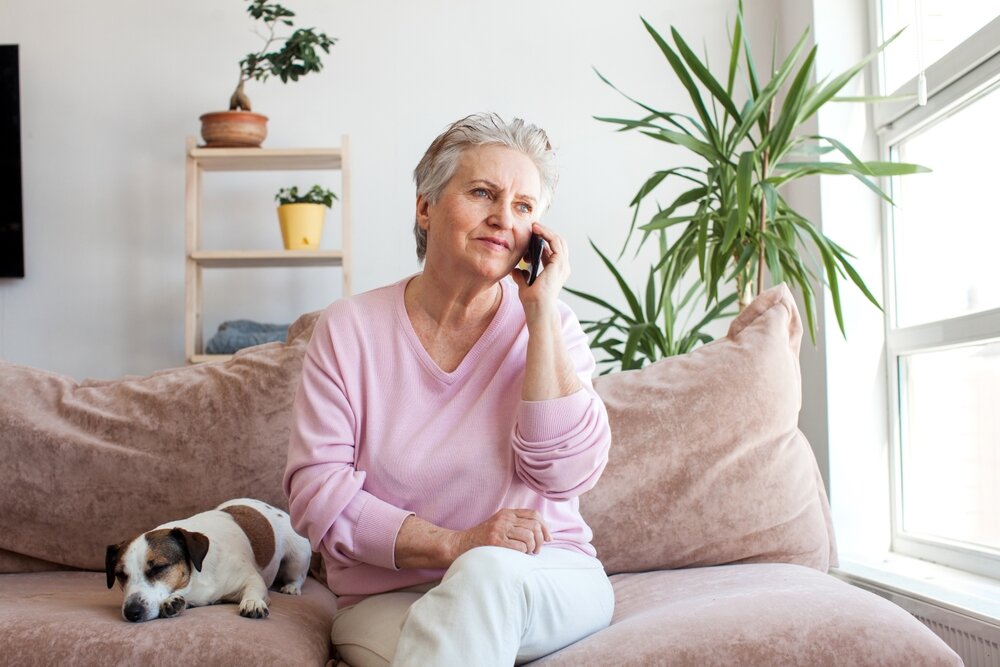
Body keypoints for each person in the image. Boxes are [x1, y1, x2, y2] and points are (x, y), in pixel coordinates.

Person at [283, 112, 614, 667]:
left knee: (485, 574)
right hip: (392, 595)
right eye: (483, 193)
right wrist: (453, 544)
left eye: (524, 207)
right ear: (425, 206)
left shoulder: (553, 326)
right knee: (459, 613)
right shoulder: (350, 329)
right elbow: (318, 495)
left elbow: (568, 474)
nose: (503, 219)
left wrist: (540, 316)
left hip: (544, 575)